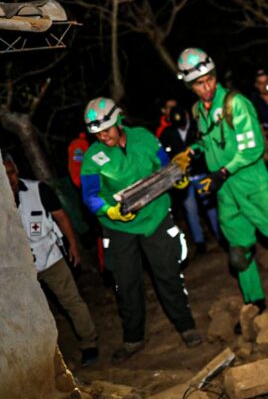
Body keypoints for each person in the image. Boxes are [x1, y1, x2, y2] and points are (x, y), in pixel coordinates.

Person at [173, 48, 268, 313]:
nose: (207, 86)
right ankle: (255, 305)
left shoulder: (235, 104)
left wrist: (222, 172)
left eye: (209, 78)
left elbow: (252, 148)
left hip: (253, 184)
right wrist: (192, 152)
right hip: (226, 193)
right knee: (238, 255)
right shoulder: (198, 110)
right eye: (199, 83)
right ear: (190, 85)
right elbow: (208, 140)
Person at [80, 97, 201, 363]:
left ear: (119, 120)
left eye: (107, 128)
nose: (103, 135)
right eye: (97, 132)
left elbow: (166, 166)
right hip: (118, 226)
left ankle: (186, 326)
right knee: (126, 283)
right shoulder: (91, 158)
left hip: (155, 215)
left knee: (168, 273)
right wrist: (108, 209)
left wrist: (176, 179)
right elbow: (89, 195)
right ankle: (133, 337)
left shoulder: (144, 137)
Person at [5, 153, 99, 367]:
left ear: (16, 170)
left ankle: (89, 343)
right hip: (20, 269)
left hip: (50, 258)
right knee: (30, 314)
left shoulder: (38, 190)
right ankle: (45, 358)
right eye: (3, 175)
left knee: (72, 301)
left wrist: (73, 245)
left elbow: (61, 216)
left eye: (11, 172)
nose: (9, 179)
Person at [159, 104, 221, 253]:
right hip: (183, 179)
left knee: (210, 206)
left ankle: (219, 235)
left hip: (201, 173)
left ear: (187, 115)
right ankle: (199, 241)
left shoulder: (198, 127)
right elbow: (164, 157)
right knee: (190, 210)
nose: (181, 127)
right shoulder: (168, 134)